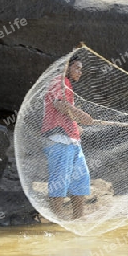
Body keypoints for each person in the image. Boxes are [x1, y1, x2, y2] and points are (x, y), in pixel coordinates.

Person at [41, 54, 94, 219]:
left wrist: (77, 127)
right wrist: (82, 116)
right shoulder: (59, 81)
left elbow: (65, 115)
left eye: (81, 69)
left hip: (72, 142)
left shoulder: (68, 86)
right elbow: (58, 104)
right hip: (58, 141)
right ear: (67, 67)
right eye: (77, 68)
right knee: (59, 183)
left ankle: (78, 219)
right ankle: (55, 222)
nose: (80, 72)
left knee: (81, 181)